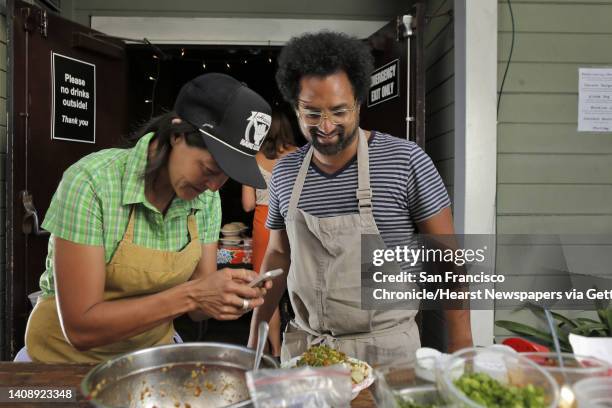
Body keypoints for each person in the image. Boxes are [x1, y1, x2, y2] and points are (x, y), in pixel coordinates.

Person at [248, 31, 473, 364]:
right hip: (307, 352)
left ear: (358, 103)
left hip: (387, 354)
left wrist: (461, 346)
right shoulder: (284, 173)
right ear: (295, 108)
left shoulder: (407, 161)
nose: (325, 127)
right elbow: (279, 255)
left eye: (339, 112)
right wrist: (258, 325)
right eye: (312, 114)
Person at [24, 73, 274, 363]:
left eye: (225, 176)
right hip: (63, 361)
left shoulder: (206, 199)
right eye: (209, 168)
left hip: (149, 359)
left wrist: (231, 294)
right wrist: (194, 295)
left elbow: (198, 308)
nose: (214, 185)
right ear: (177, 134)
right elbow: (81, 329)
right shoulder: (92, 182)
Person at [242, 110, 296, 356]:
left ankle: (270, 351)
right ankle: (286, 348)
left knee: (266, 289)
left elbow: (247, 205)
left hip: (264, 222)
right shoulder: (299, 155)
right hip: (295, 222)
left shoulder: (253, 160)